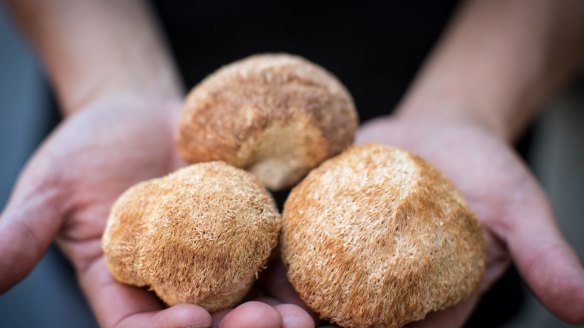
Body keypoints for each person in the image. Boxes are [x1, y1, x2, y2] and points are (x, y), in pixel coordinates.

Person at [1, 0, 583, 327]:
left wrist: (475, 105)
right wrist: (108, 83)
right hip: (167, 112)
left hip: (430, 99)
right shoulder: (172, 194)